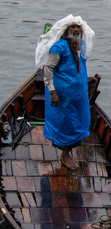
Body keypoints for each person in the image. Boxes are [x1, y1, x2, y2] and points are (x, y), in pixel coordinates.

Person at [35, 15, 95, 170]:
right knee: (65, 124)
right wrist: (52, 91)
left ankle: (67, 153)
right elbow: (48, 68)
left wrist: (85, 78)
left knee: (77, 122)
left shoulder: (78, 45)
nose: (75, 30)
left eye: (78, 27)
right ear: (67, 30)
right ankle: (65, 155)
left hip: (77, 95)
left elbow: (76, 65)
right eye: (72, 27)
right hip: (62, 96)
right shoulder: (60, 47)